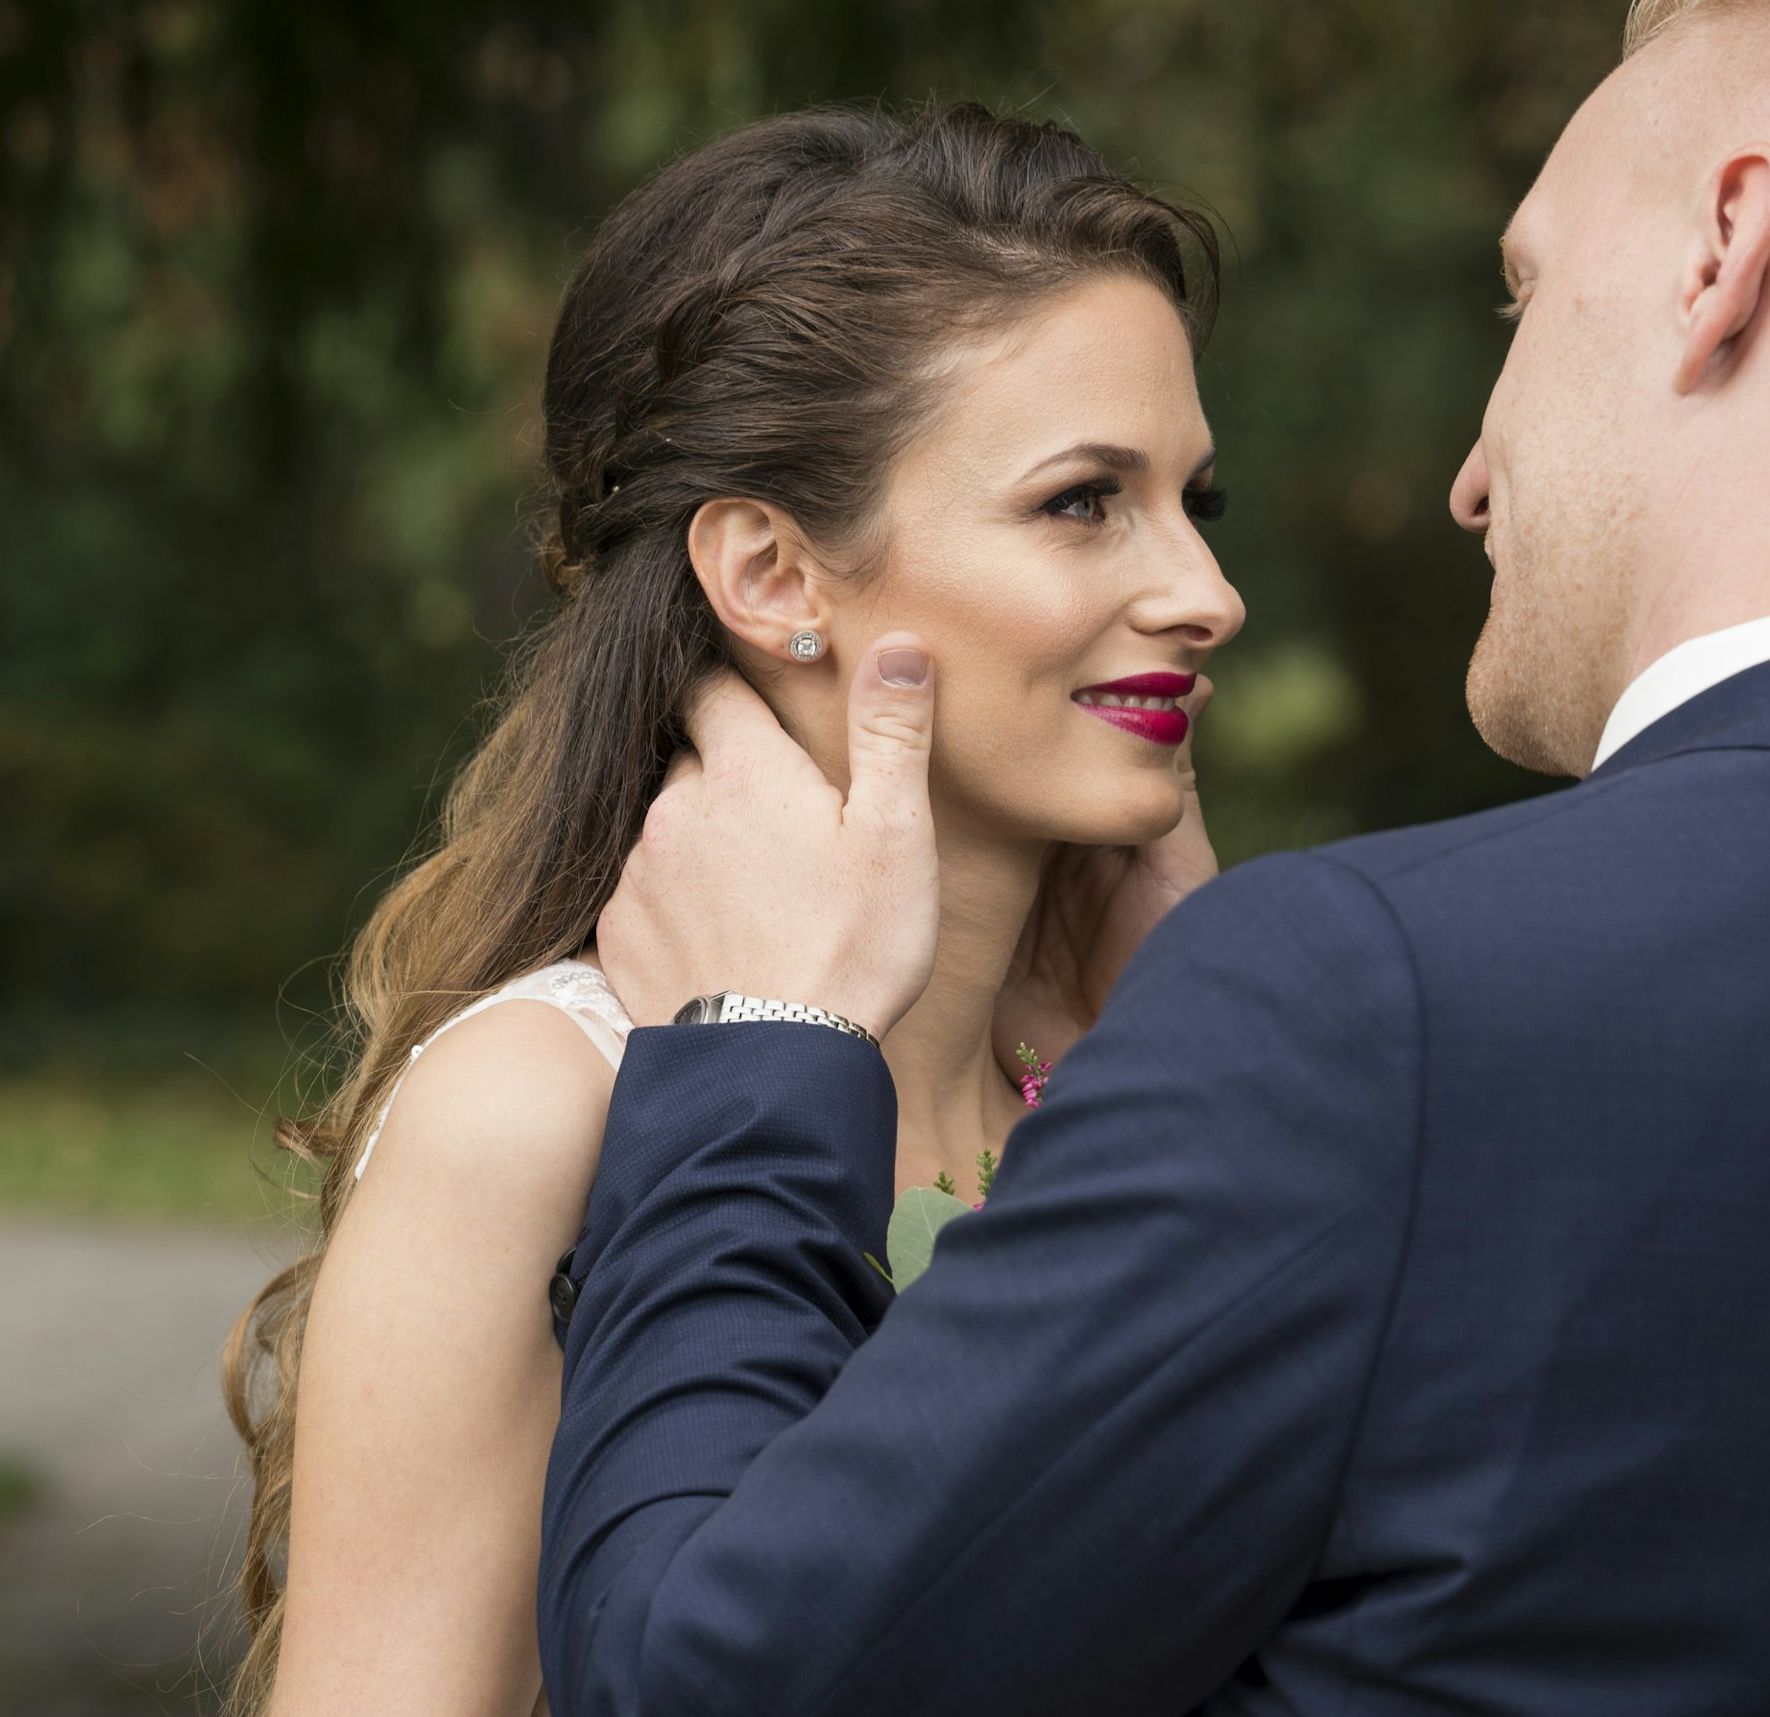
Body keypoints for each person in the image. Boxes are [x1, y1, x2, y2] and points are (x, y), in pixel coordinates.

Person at [542, 0, 1770, 1715]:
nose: (1468, 472)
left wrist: (760, 1058)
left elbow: (711, 1681)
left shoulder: (1362, 1007)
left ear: (1725, 253)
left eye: (1525, 293)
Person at [217, 102, 1244, 1716]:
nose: (1205, 592)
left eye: (1198, 502)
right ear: (773, 573)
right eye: (1082, 502)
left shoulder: (1133, 1062)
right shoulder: (546, 1106)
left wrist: (1219, 1035)